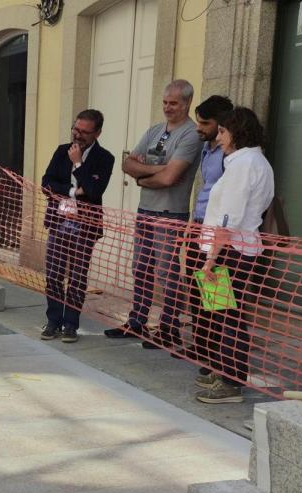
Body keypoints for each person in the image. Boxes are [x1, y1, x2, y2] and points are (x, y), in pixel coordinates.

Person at [105, 79, 202, 352]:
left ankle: (169, 328)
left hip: (170, 213)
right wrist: (155, 172)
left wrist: (144, 174)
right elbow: (127, 162)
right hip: (146, 209)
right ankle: (137, 321)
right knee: (141, 268)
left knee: (166, 271)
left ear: (186, 104)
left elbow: (172, 177)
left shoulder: (191, 134)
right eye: (165, 102)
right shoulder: (156, 131)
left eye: (174, 103)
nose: (168, 108)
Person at [193, 107, 274, 403]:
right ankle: (225, 372)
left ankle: (231, 381)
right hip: (235, 248)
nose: (220, 137)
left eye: (224, 132)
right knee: (224, 314)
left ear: (237, 133)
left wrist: (211, 259)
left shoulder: (244, 164)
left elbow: (230, 217)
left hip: (231, 251)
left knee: (230, 318)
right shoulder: (251, 161)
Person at [40, 110, 115, 343]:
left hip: (85, 226)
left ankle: (71, 324)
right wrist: (72, 191)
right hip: (59, 222)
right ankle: (53, 321)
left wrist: (79, 164)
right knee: (53, 274)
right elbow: (46, 183)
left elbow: (94, 192)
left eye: (84, 132)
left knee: (77, 277)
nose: (78, 135)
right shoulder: (61, 150)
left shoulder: (105, 158)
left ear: (97, 133)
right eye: (76, 129)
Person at [187, 95, 234, 385]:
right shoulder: (207, 148)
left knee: (215, 298)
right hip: (199, 226)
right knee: (195, 290)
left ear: (222, 124)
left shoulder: (233, 155)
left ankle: (216, 358)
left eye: (205, 123)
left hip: (217, 232)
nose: (199, 128)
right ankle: (202, 348)